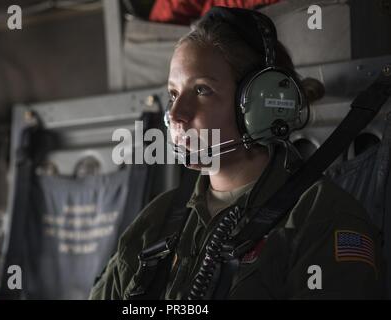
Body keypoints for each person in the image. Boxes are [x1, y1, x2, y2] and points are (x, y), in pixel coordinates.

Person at [90, 6, 385, 299]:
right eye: (174, 94)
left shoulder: (321, 220)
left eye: (202, 90)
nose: (176, 115)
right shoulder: (156, 221)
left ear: (260, 106)